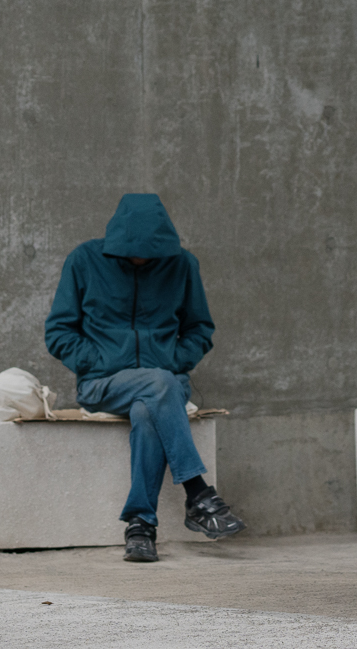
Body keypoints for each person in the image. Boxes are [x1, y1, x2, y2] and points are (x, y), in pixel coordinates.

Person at [45, 193, 245, 562]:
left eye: (150, 254)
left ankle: (140, 526)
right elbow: (58, 332)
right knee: (159, 383)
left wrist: (173, 360)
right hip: (102, 383)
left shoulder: (182, 265)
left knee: (147, 408)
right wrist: (96, 362)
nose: (141, 259)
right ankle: (198, 493)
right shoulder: (84, 260)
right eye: (132, 253)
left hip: (164, 385)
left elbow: (199, 328)